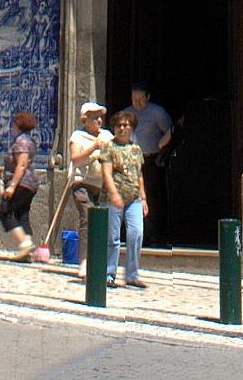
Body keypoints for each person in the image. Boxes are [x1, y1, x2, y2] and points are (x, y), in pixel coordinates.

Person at [67, 100, 117, 269]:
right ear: (85, 119)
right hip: (82, 183)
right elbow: (75, 159)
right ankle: (84, 262)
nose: (99, 121)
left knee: (102, 223)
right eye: (94, 117)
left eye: (100, 117)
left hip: (101, 187)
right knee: (87, 219)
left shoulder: (107, 136)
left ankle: (99, 262)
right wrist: (94, 147)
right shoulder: (77, 136)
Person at [105, 108, 148, 287]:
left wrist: (144, 198)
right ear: (114, 128)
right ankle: (109, 273)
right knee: (113, 238)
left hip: (134, 199)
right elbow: (106, 173)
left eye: (127, 125)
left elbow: (139, 175)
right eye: (119, 125)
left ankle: (132, 274)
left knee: (136, 233)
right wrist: (114, 194)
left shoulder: (136, 150)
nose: (123, 128)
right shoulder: (109, 147)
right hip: (114, 199)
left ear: (132, 128)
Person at [126, 85, 174, 246]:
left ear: (147, 97)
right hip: (132, 162)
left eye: (140, 99)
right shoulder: (127, 113)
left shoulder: (157, 112)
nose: (137, 103)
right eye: (134, 99)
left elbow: (170, 131)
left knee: (152, 199)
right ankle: (137, 237)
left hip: (150, 161)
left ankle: (156, 237)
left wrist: (162, 145)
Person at [0, 108, 39, 258]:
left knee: (5, 212)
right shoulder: (30, 140)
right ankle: (26, 250)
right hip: (30, 183)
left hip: (21, 183)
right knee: (22, 214)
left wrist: (12, 186)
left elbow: (21, 165)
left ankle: (24, 244)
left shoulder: (21, 141)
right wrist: (3, 168)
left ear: (17, 125)